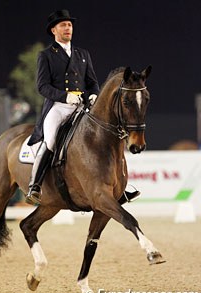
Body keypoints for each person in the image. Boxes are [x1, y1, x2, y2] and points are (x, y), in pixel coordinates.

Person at [26, 9, 140, 205]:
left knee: (106, 135)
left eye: (69, 24)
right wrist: (65, 96)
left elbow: (92, 82)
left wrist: (94, 94)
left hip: (82, 106)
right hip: (59, 107)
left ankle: (120, 187)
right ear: (54, 30)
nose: (68, 28)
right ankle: (35, 185)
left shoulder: (82, 54)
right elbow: (42, 86)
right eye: (63, 25)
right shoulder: (46, 55)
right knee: (51, 139)